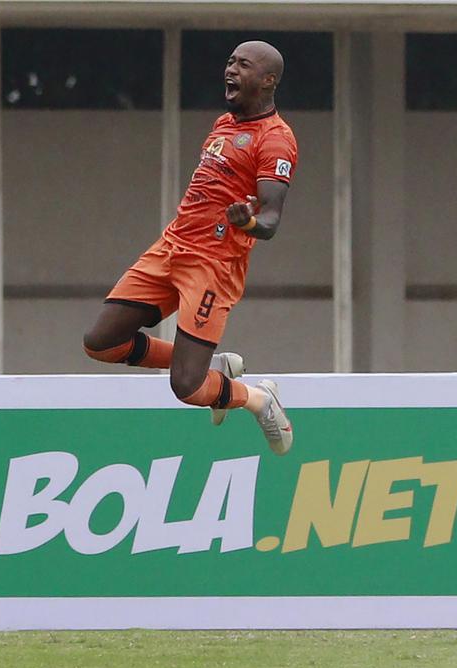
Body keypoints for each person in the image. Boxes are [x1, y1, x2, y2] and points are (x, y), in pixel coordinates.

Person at [82, 40, 297, 455]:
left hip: (213, 265)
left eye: (244, 65)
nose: (230, 70)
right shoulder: (224, 123)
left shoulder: (276, 139)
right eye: (230, 61)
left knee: (186, 386)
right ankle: (213, 367)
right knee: (101, 343)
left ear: (268, 80)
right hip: (171, 247)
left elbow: (270, 219)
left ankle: (258, 399)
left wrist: (248, 222)